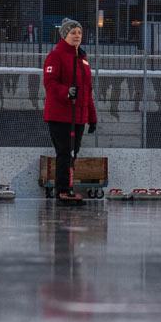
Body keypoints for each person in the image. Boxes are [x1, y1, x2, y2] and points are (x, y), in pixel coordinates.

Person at [43, 19, 97, 205]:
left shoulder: (82, 59)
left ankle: (69, 187)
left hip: (79, 116)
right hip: (61, 115)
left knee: (73, 153)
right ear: (64, 35)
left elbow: (87, 90)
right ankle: (63, 190)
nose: (76, 36)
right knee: (65, 152)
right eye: (72, 32)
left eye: (79, 33)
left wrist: (92, 116)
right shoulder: (56, 56)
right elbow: (50, 83)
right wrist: (66, 91)